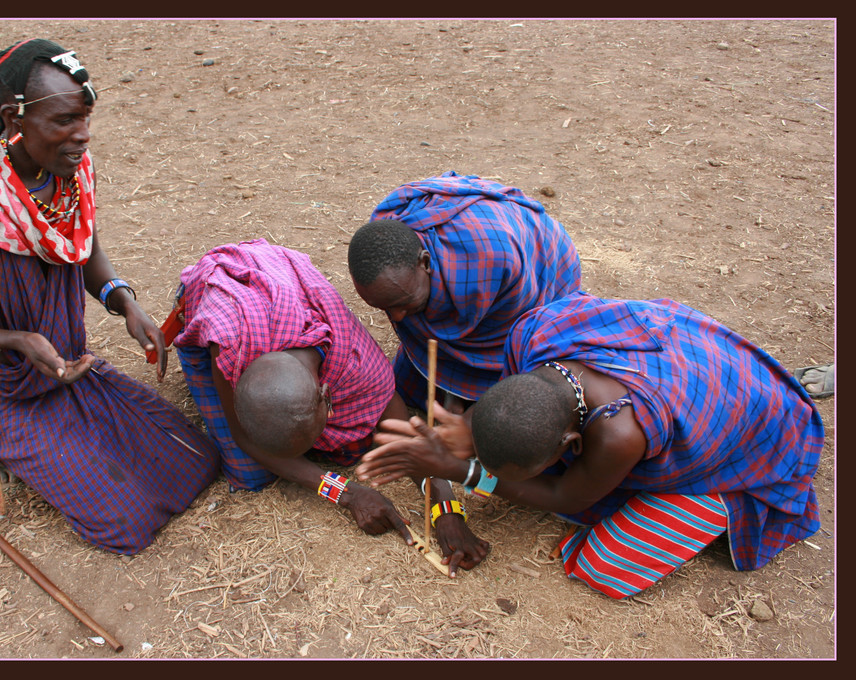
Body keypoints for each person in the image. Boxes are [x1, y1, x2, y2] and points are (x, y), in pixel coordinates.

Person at [0, 39, 221, 555]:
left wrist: (125, 302)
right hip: (4, 387)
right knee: (127, 523)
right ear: (15, 117)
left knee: (195, 457)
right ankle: (14, 446)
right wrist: (19, 340)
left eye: (86, 118)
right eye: (65, 121)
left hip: (68, 366)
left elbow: (82, 248)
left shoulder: (69, 172)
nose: (82, 136)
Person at [356, 293, 824, 599]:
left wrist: (464, 472)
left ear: (572, 441)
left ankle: (724, 506)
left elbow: (567, 497)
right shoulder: (534, 333)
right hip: (686, 368)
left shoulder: (621, 434)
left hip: (758, 432)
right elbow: (511, 403)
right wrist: (468, 430)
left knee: (603, 566)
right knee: (532, 479)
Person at [169, 239, 489, 575]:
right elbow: (244, 435)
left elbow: (403, 435)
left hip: (275, 282)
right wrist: (346, 493)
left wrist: (445, 507)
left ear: (328, 393)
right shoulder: (228, 345)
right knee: (249, 475)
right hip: (210, 294)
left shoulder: (359, 367)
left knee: (350, 443)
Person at [347, 171, 582, 415]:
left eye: (403, 303)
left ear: (425, 263)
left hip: (542, 264)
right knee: (412, 389)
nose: (396, 318)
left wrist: (467, 417)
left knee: (506, 409)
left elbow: (513, 338)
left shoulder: (493, 263)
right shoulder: (387, 237)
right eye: (385, 307)